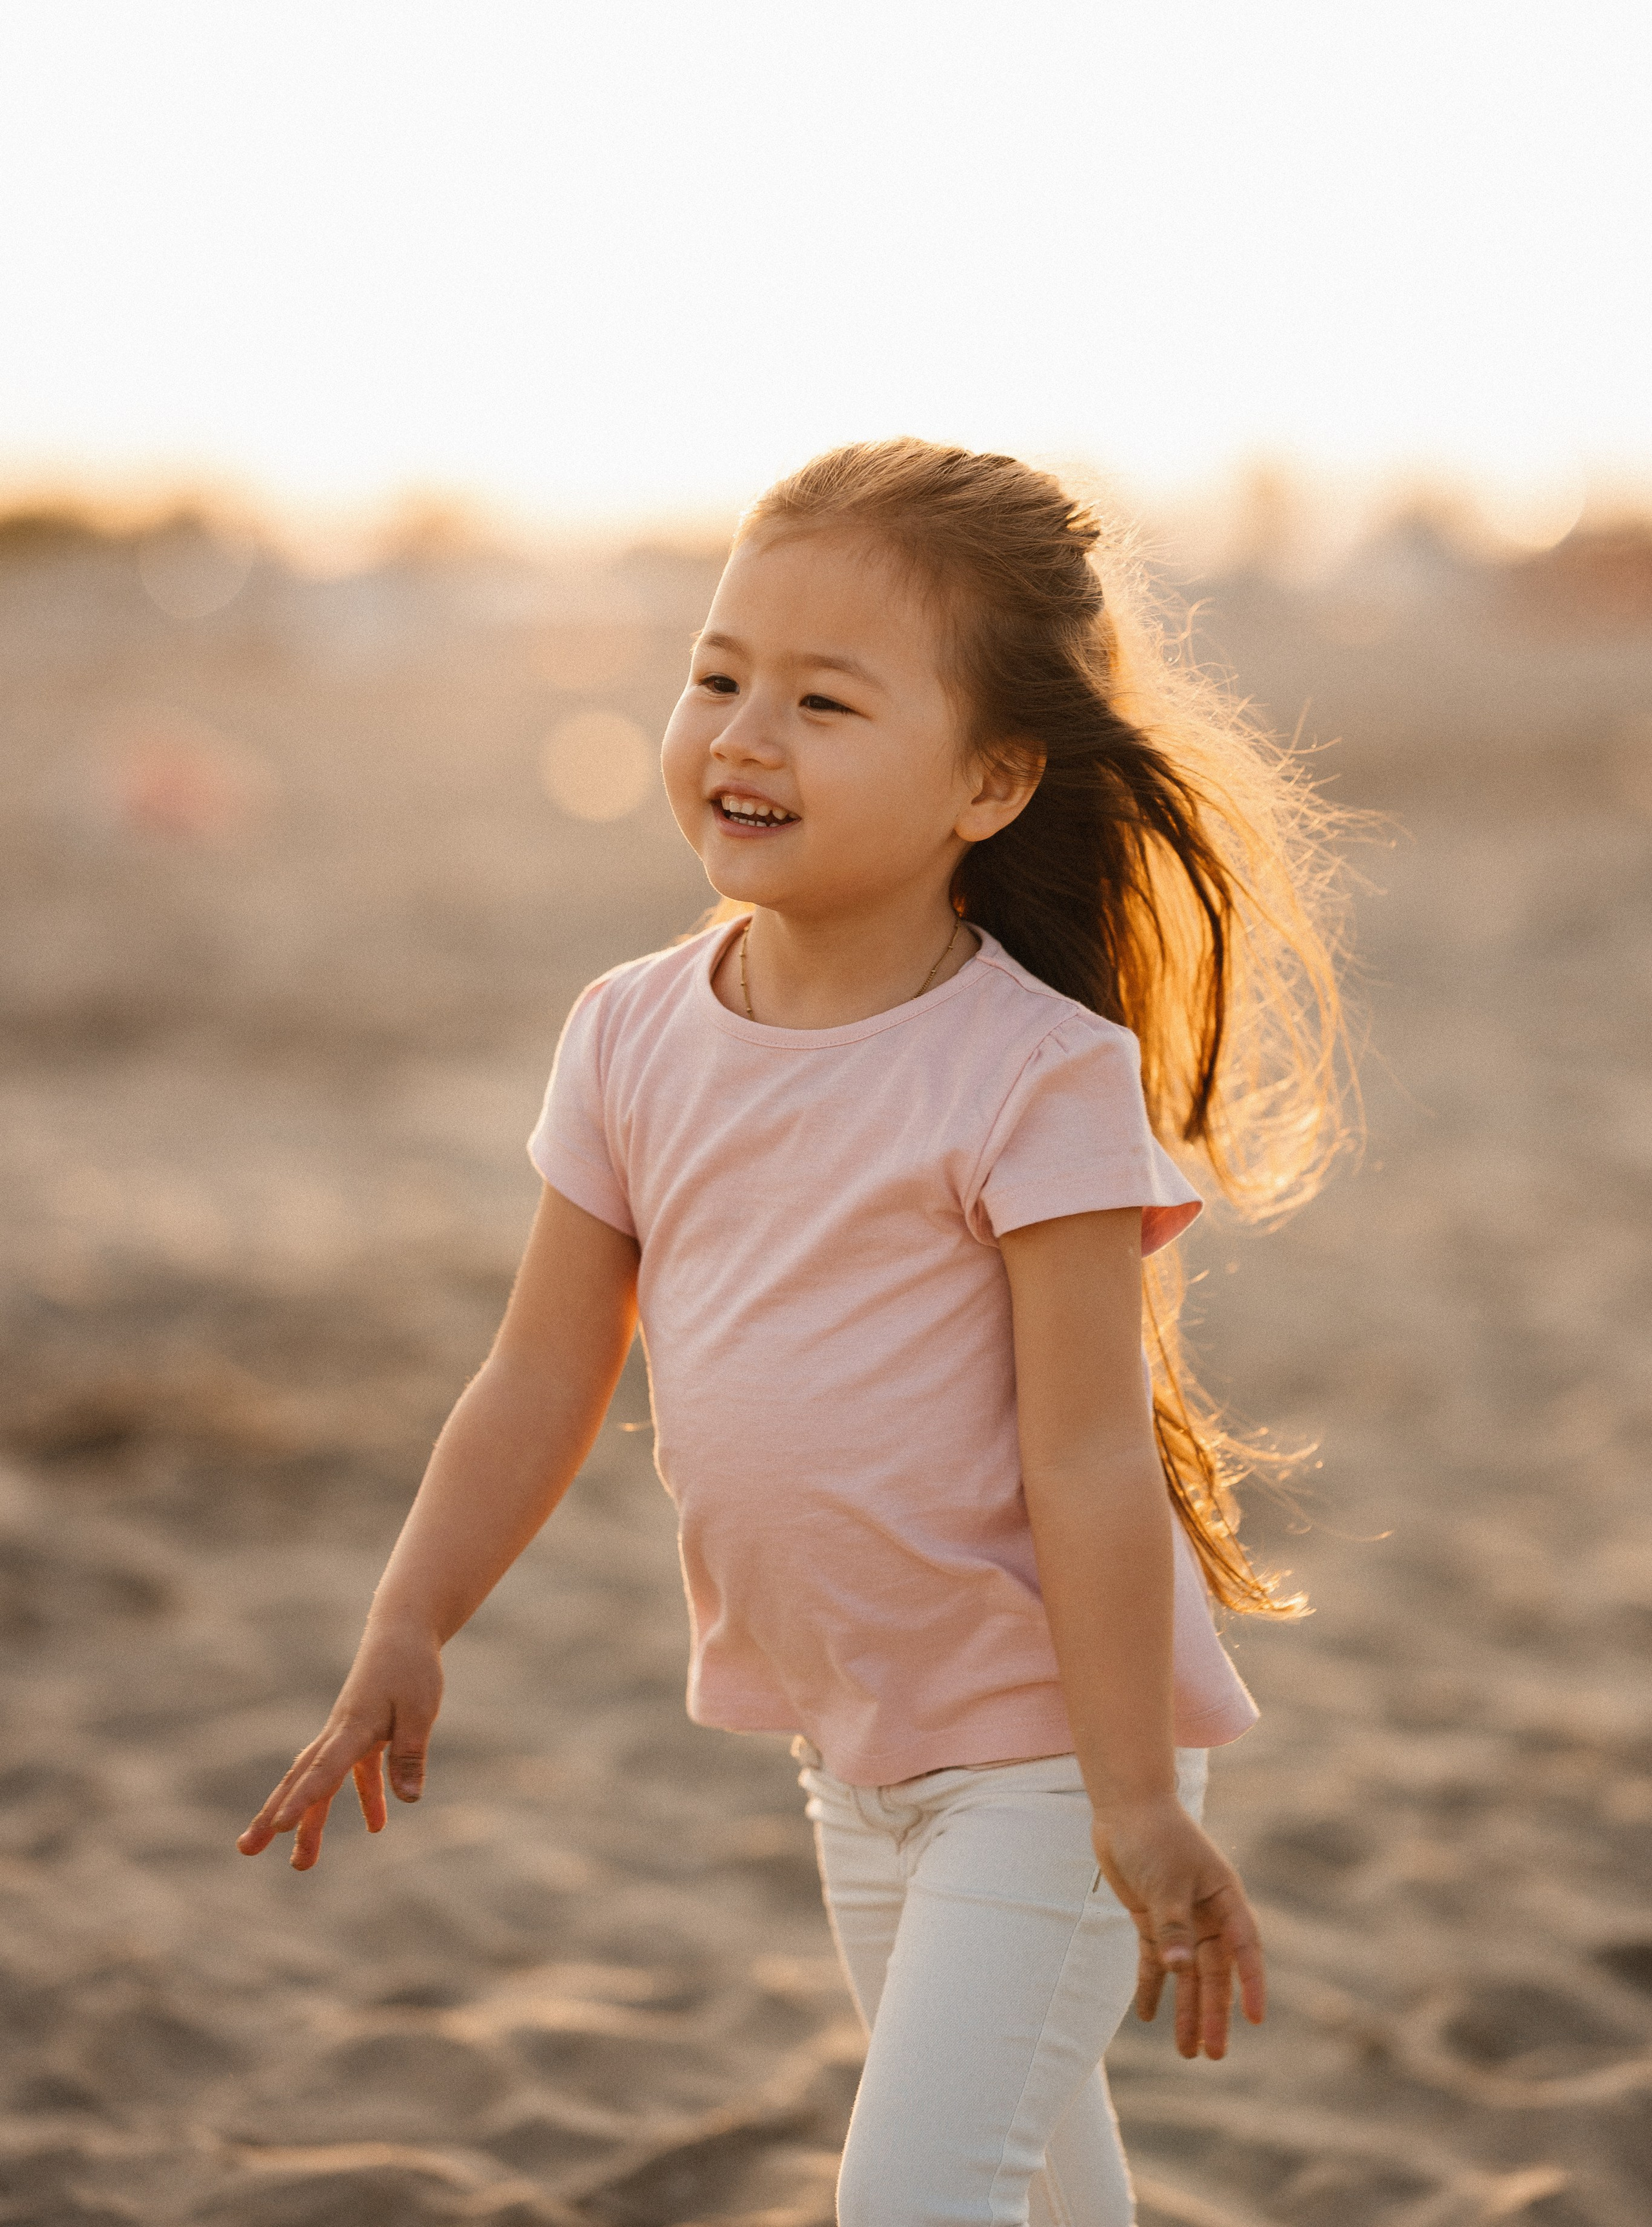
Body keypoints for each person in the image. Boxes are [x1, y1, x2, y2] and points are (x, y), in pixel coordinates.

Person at [239, 439, 1353, 2224]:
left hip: (1052, 1763)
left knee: (913, 2200)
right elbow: (542, 1367)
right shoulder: (626, 1035)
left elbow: (1087, 1453)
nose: (744, 735)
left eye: (826, 702)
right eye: (717, 676)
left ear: (990, 781)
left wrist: (1136, 1804)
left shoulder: (1036, 1075)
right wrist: (409, 1617)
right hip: (854, 1762)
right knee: (1042, 2190)